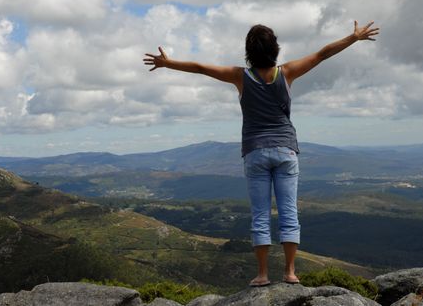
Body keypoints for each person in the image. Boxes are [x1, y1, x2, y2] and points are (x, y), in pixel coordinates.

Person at [143, 20, 379, 287]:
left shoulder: (239, 76)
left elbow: (200, 68)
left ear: (249, 51)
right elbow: (323, 54)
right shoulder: (287, 72)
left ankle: (263, 275)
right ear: (275, 48)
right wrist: (353, 37)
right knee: (289, 212)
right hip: (286, 150)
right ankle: (290, 273)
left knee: (260, 215)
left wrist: (168, 63)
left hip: (255, 152)